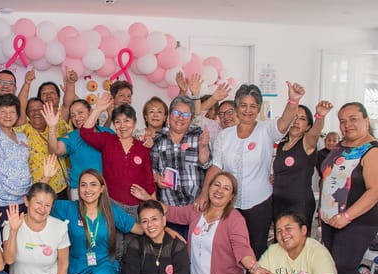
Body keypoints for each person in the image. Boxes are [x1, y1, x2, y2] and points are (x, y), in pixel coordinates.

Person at [131, 172, 268, 274]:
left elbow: (242, 249)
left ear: (231, 196)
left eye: (226, 188)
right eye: (216, 185)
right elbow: (170, 212)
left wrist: (255, 268)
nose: (219, 190)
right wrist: (148, 199)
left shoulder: (235, 219)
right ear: (209, 188)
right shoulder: (197, 210)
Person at [198, 82, 306, 258]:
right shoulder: (225, 136)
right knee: (229, 248)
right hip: (230, 204)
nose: (247, 110)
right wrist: (204, 193)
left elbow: (284, 122)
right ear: (236, 108)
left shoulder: (266, 130)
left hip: (259, 203)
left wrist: (293, 101)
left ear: (258, 109)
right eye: (243, 105)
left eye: (253, 106)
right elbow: (216, 166)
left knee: (257, 247)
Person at [319, 101, 378, 274]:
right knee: (330, 267)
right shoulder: (339, 148)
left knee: (344, 267)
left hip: (357, 221)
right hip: (330, 219)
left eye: (353, 119)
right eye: (343, 120)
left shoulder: (371, 150)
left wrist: (347, 216)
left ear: (366, 120)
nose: (347, 125)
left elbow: (374, 191)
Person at [50, 169, 140, 274]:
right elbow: (41, 201)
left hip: (103, 264)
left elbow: (138, 228)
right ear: (78, 189)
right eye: (83, 185)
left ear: (101, 189)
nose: (87, 189)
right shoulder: (68, 208)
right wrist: (47, 177)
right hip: (76, 268)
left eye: (93, 185)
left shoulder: (110, 210)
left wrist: (165, 229)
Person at [80, 93, 156, 214]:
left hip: (138, 206)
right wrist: (98, 109)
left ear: (135, 123)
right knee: (112, 234)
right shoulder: (107, 140)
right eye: (117, 122)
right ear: (114, 124)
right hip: (112, 204)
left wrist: (153, 205)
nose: (122, 126)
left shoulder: (143, 147)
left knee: (137, 233)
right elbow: (85, 133)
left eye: (127, 121)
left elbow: (149, 180)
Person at [150, 95, 212, 237]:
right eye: (177, 113)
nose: (180, 118)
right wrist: (157, 178)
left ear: (190, 118)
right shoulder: (158, 140)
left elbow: (207, 164)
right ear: (169, 116)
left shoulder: (198, 137)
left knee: (196, 252)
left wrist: (203, 147)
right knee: (174, 253)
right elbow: (150, 168)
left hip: (196, 208)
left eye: (186, 115)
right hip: (169, 209)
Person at [272, 101, 333, 230]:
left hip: (299, 204)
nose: (296, 121)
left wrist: (320, 117)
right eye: (294, 117)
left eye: (302, 119)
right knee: (280, 244)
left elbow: (315, 132)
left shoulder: (307, 143)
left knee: (298, 245)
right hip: (278, 202)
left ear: (307, 126)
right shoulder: (281, 145)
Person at [44, 99, 114, 200]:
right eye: (72, 115)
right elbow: (55, 150)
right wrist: (51, 128)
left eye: (80, 112)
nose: (76, 117)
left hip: (106, 189)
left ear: (90, 112)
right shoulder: (73, 137)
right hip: (81, 191)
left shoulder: (107, 132)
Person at [16, 97, 70, 198]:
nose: (36, 112)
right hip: (38, 188)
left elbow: (67, 106)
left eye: (39, 108)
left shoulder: (57, 126)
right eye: (31, 109)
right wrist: (27, 83)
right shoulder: (24, 130)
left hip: (61, 188)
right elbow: (20, 106)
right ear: (27, 114)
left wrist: (52, 127)